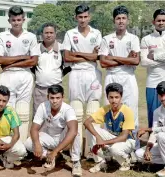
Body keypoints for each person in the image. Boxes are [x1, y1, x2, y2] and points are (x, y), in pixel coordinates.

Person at [62, 4, 102, 157]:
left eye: (85, 17)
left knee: (93, 112)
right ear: (76, 18)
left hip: (93, 73)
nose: (83, 20)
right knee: (76, 114)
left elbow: (97, 57)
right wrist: (88, 55)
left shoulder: (96, 33)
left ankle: (93, 152)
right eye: (80, 17)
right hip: (76, 74)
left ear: (89, 17)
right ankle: (76, 152)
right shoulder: (70, 33)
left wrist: (76, 54)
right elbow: (67, 57)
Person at [0, 6, 40, 142]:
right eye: (13, 20)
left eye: (19, 20)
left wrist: (12, 62)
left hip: (25, 76)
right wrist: (23, 57)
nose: (16, 22)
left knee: (23, 112)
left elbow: (34, 61)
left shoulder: (31, 37)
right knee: (7, 110)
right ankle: (5, 144)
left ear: (23, 20)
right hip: (7, 76)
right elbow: (0, 59)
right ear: (9, 20)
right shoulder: (2, 36)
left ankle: (19, 145)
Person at [98, 5, 140, 148]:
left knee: (131, 111)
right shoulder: (106, 39)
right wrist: (125, 59)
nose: (121, 21)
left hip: (128, 77)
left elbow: (135, 61)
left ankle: (134, 147)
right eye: (118, 18)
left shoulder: (133, 38)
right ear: (114, 21)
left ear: (127, 20)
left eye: (123, 18)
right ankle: (108, 148)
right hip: (112, 77)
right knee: (110, 111)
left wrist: (113, 57)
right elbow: (103, 62)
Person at [24, 85, 82, 176]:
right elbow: (34, 129)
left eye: (58, 98)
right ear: (48, 97)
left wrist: (55, 151)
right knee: (28, 143)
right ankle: (50, 155)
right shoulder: (43, 106)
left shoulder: (68, 109)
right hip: (49, 137)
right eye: (52, 98)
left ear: (63, 97)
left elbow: (73, 131)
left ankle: (76, 162)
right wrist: (37, 144)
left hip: (64, 140)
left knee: (75, 132)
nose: (54, 101)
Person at [84, 83, 136, 173]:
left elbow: (123, 137)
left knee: (115, 149)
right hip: (112, 137)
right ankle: (101, 161)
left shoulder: (127, 111)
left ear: (121, 97)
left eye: (117, 97)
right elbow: (87, 122)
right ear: (107, 97)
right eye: (111, 97)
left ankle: (126, 160)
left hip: (127, 141)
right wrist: (97, 136)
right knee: (90, 130)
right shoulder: (105, 109)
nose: (114, 100)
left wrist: (102, 142)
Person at [32, 23, 66, 116]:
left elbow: (67, 66)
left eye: (51, 32)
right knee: (39, 116)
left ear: (55, 34)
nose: (49, 35)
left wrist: (57, 76)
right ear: (42, 34)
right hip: (40, 89)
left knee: (58, 116)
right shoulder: (35, 48)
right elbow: (32, 67)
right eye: (46, 33)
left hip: (57, 89)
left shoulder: (62, 48)